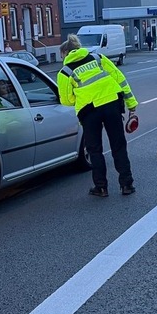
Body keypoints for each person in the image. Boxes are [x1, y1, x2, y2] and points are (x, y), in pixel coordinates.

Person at [58, 34, 137, 197]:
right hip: (112, 103)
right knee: (119, 146)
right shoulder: (98, 58)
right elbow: (120, 79)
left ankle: (101, 187)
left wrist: (81, 96)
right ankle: (127, 184)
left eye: (61, 55)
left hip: (89, 111)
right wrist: (131, 105)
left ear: (65, 53)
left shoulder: (65, 72)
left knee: (94, 150)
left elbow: (66, 100)